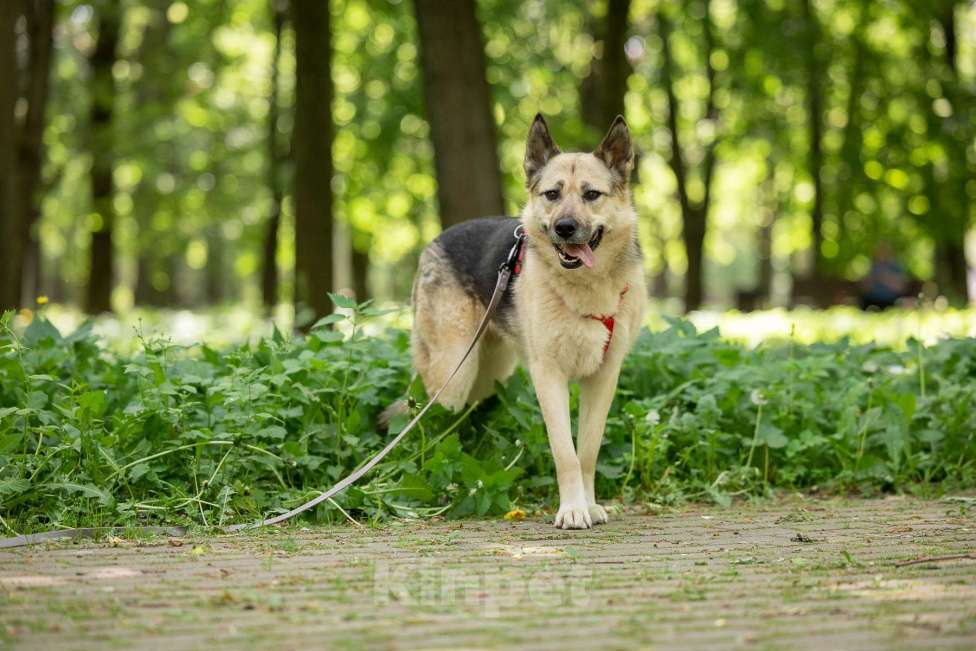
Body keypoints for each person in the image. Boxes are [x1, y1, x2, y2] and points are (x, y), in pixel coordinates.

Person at [859, 242, 907, 310]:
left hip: (891, 300)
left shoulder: (896, 267)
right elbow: (864, 288)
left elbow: (901, 287)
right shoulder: (873, 267)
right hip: (872, 299)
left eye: (884, 252)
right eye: (880, 252)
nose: (882, 254)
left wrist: (885, 277)